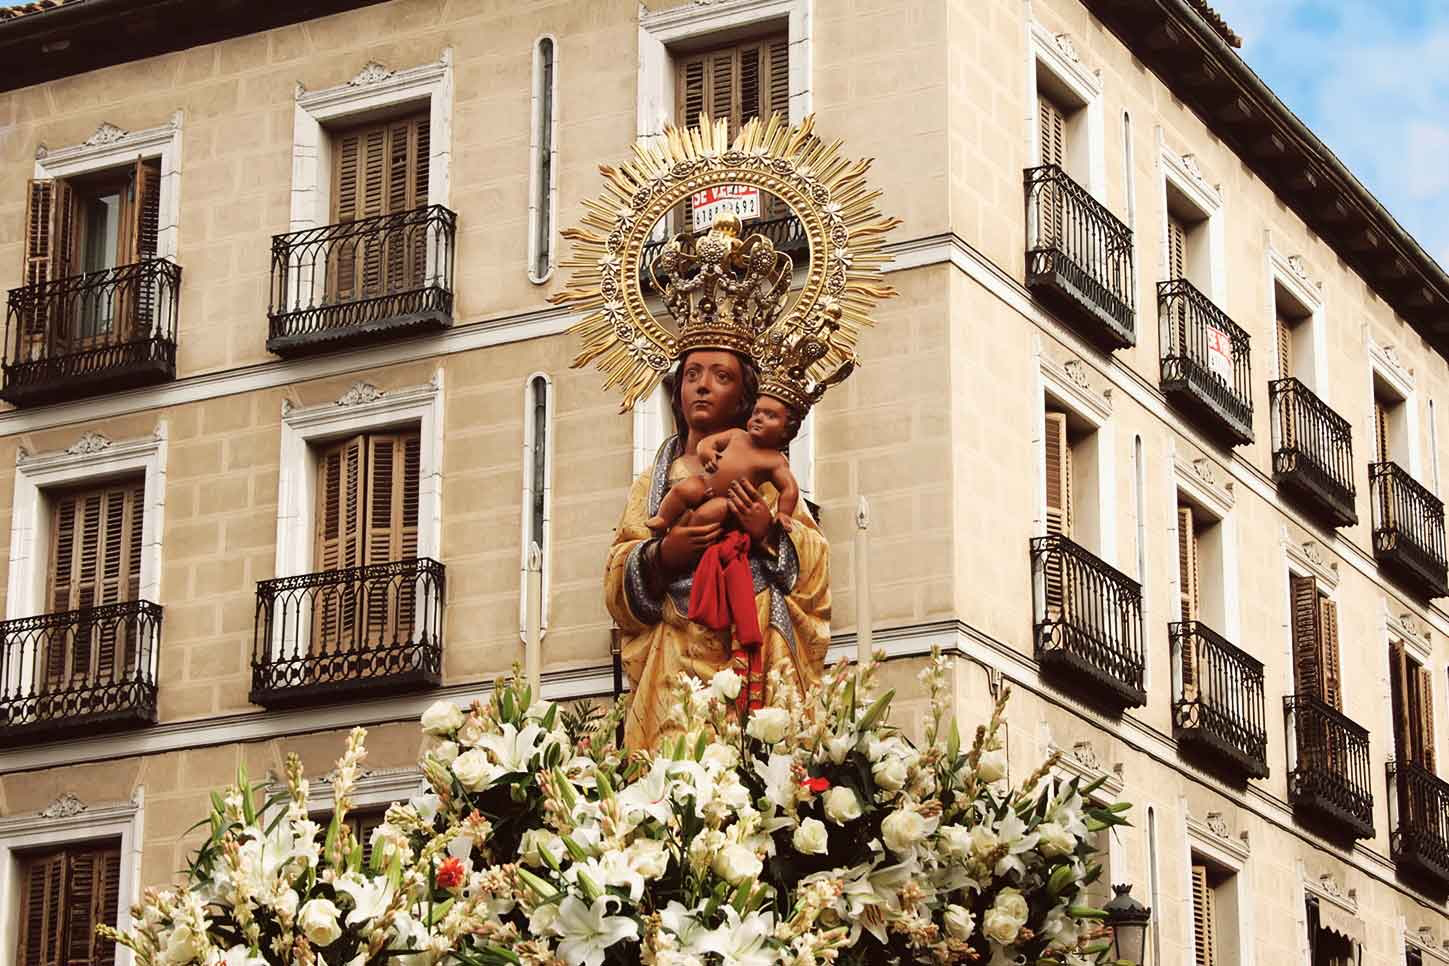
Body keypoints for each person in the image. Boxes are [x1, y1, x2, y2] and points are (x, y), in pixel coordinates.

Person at [604, 348, 830, 750]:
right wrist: (663, 555)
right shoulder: (655, 480)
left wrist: (768, 533)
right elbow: (619, 567)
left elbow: (812, 563)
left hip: (751, 643)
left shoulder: (762, 469)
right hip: (674, 658)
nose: (702, 386)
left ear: (746, 396)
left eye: (721, 377)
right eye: (692, 374)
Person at [644, 393, 801, 535]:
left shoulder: (775, 460)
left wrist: (784, 513)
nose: (758, 418)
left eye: (770, 416)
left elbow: (789, 489)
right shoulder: (737, 435)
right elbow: (706, 443)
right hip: (704, 483)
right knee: (682, 489)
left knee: (711, 512)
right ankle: (663, 519)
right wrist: (707, 453)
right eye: (756, 412)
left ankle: (690, 537)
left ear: (786, 431)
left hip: (728, 500)